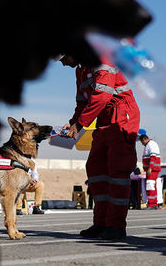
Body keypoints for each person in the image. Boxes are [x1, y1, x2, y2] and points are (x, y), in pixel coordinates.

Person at [59, 54, 140, 241]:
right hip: (103, 119)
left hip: (121, 116)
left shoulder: (100, 60)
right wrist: (72, 123)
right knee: (96, 168)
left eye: (63, 58)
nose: (63, 64)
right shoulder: (80, 70)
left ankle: (116, 226)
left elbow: (102, 97)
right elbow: (82, 102)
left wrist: (79, 125)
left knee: (117, 170)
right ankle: (101, 223)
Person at [139, 132, 161, 209]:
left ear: (144, 139)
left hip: (152, 169)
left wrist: (150, 168)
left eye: (142, 142)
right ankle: (153, 203)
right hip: (151, 169)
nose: (142, 144)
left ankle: (152, 204)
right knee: (151, 186)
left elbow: (153, 157)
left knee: (150, 185)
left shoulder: (151, 144)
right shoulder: (148, 145)